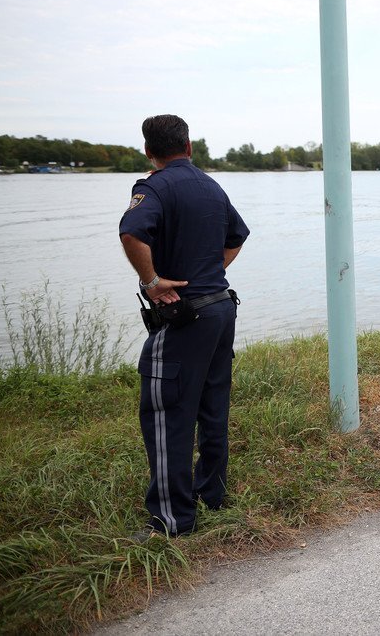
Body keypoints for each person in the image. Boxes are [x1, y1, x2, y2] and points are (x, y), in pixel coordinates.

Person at [119, 114, 249, 539]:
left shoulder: (153, 187)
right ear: (189, 147)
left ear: (148, 151)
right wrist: (210, 271)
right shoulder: (211, 186)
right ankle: (212, 494)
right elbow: (237, 236)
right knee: (213, 406)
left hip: (184, 316)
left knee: (166, 412)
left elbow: (132, 233)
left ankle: (171, 520)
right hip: (220, 309)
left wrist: (153, 282)